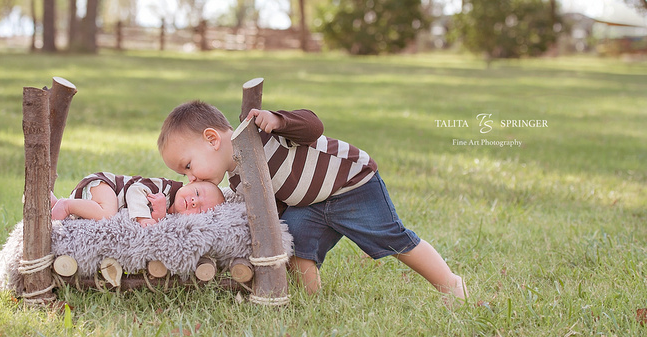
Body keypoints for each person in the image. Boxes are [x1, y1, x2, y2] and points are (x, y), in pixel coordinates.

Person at [158, 100, 466, 300]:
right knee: (297, 242)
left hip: (351, 185)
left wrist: (279, 120)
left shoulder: (261, 132)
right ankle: (311, 299)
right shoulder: (239, 179)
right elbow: (268, 209)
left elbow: (313, 125)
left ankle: (450, 284)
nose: (191, 178)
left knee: (391, 237)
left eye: (187, 166)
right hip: (310, 204)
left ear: (212, 140)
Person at [50, 172, 225, 226]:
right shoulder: (165, 188)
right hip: (105, 185)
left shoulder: (174, 219)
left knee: (98, 213)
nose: (195, 201)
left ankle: (52, 202)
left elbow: (157, 221)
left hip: (97, 199)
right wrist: (143, 217)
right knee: (108, 213)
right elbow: (135, 190)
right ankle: (66, 205)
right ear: (190, 182)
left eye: (200, 209)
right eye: (196, 193)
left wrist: (158, 216)